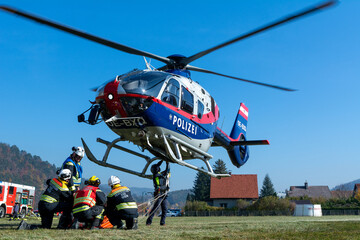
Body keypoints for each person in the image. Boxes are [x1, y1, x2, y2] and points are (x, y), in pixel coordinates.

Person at [146, 160, 170, 226]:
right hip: (158, 194)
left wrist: (167, 163)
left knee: (165, 209)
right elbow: (157, 166)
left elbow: (168, 170)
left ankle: (162, 222)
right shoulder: (155, 175)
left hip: (164, 194)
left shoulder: (162, 174)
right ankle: (148, 222)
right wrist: (162, 160)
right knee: (155, 208)